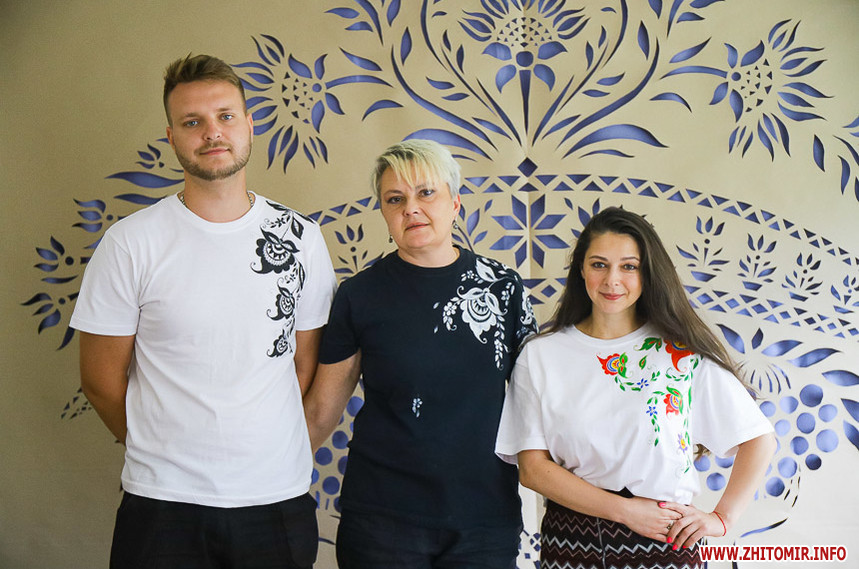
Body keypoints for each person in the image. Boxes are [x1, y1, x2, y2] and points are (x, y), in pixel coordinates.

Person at [70, 54, 336, 569]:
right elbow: (100, 380)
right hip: (162, 502)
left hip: (275, 498)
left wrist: (271, 452)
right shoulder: (130, 243)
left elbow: (307, 365)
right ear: (172, 137)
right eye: (193, 122)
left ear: (250, 125)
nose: (212, 132)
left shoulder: (301, 238)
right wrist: (158, 448)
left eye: (225, 116)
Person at [495, 207, 776, 569]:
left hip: (667, 541)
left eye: (629, 266)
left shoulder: (680, 354)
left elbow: (758, 439)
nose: (612, 280)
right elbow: (533, 469)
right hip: (572, 543)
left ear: (647, 273)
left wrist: (722, 518)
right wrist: (624, 511)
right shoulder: (541, 355)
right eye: (599, 264)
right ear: (581, 269)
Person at [303, 139, 537, 568]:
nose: (411, 208)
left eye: (426, 193)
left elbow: (539, 403)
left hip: (484, 518)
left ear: (455, 203)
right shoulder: (360, 295)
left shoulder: (503, 288)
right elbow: (321, 411)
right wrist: (263, 483)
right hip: (382, 521)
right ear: (384, 212)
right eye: (395, 199)